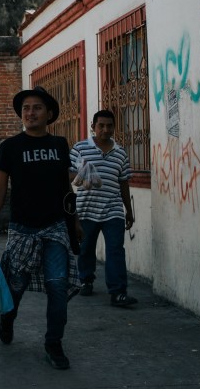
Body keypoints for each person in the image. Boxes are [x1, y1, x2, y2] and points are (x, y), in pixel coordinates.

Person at [0, 85, 81, 370]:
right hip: (22, 229)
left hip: (55, 228)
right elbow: (0, 188)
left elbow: (67, 189)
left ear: (49, 114)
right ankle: (7, 319)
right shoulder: (11, 147)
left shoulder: (61, 145)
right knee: (15, 288)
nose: (30, 112)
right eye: (26, 108)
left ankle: (54, 343)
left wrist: (74, 221)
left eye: (37, 107)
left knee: (58, 288)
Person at [70, 110, 137, 307]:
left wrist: (129, 210)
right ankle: (86, 280)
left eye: (109, 126)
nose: (105, 130)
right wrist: (81, 174)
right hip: (86, 209)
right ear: (93, 126)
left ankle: (118, 292)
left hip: (113, 210)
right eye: (101, 126)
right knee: (86, 248)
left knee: (116, 249)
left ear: (114, 127)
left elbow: (123, 182)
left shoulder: (120, 153)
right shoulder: (80, 149)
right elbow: (66, 172)